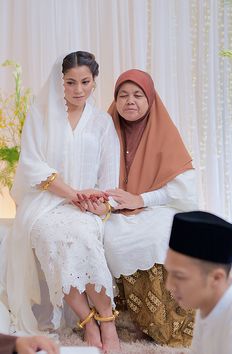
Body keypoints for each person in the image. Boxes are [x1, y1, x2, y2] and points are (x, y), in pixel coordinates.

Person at [0, 51, 120, 352]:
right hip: (44, 204)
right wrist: (71, 194)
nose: (78, 90)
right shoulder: (41, 115)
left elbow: (108, 180)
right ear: (60, 82)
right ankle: (88, 322)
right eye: (70, 82)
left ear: (94, 82)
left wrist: (100, 203)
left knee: (83, 234)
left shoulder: (103, 123)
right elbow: (32, 166)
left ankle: (108, 321)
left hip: (86, 207)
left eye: (85, 82)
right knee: (54, 236)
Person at [103, 69, 198, 346]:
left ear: (150, 99)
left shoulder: (164, 131)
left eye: (137, 95)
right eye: (122, 95)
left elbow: (183, 189)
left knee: (158, 236)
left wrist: (141, 199)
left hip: (157, 207)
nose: (129, 101)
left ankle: (165, 322)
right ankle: (123, 317)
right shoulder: (103, 129)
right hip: (112, 209)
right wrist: (110, 202)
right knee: (111, 239)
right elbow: (91, 177)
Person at [164, 211, 232, 354]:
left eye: (179, 276)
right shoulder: (207, 302)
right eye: (169, 272)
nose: (169, 285)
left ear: (216, 278)